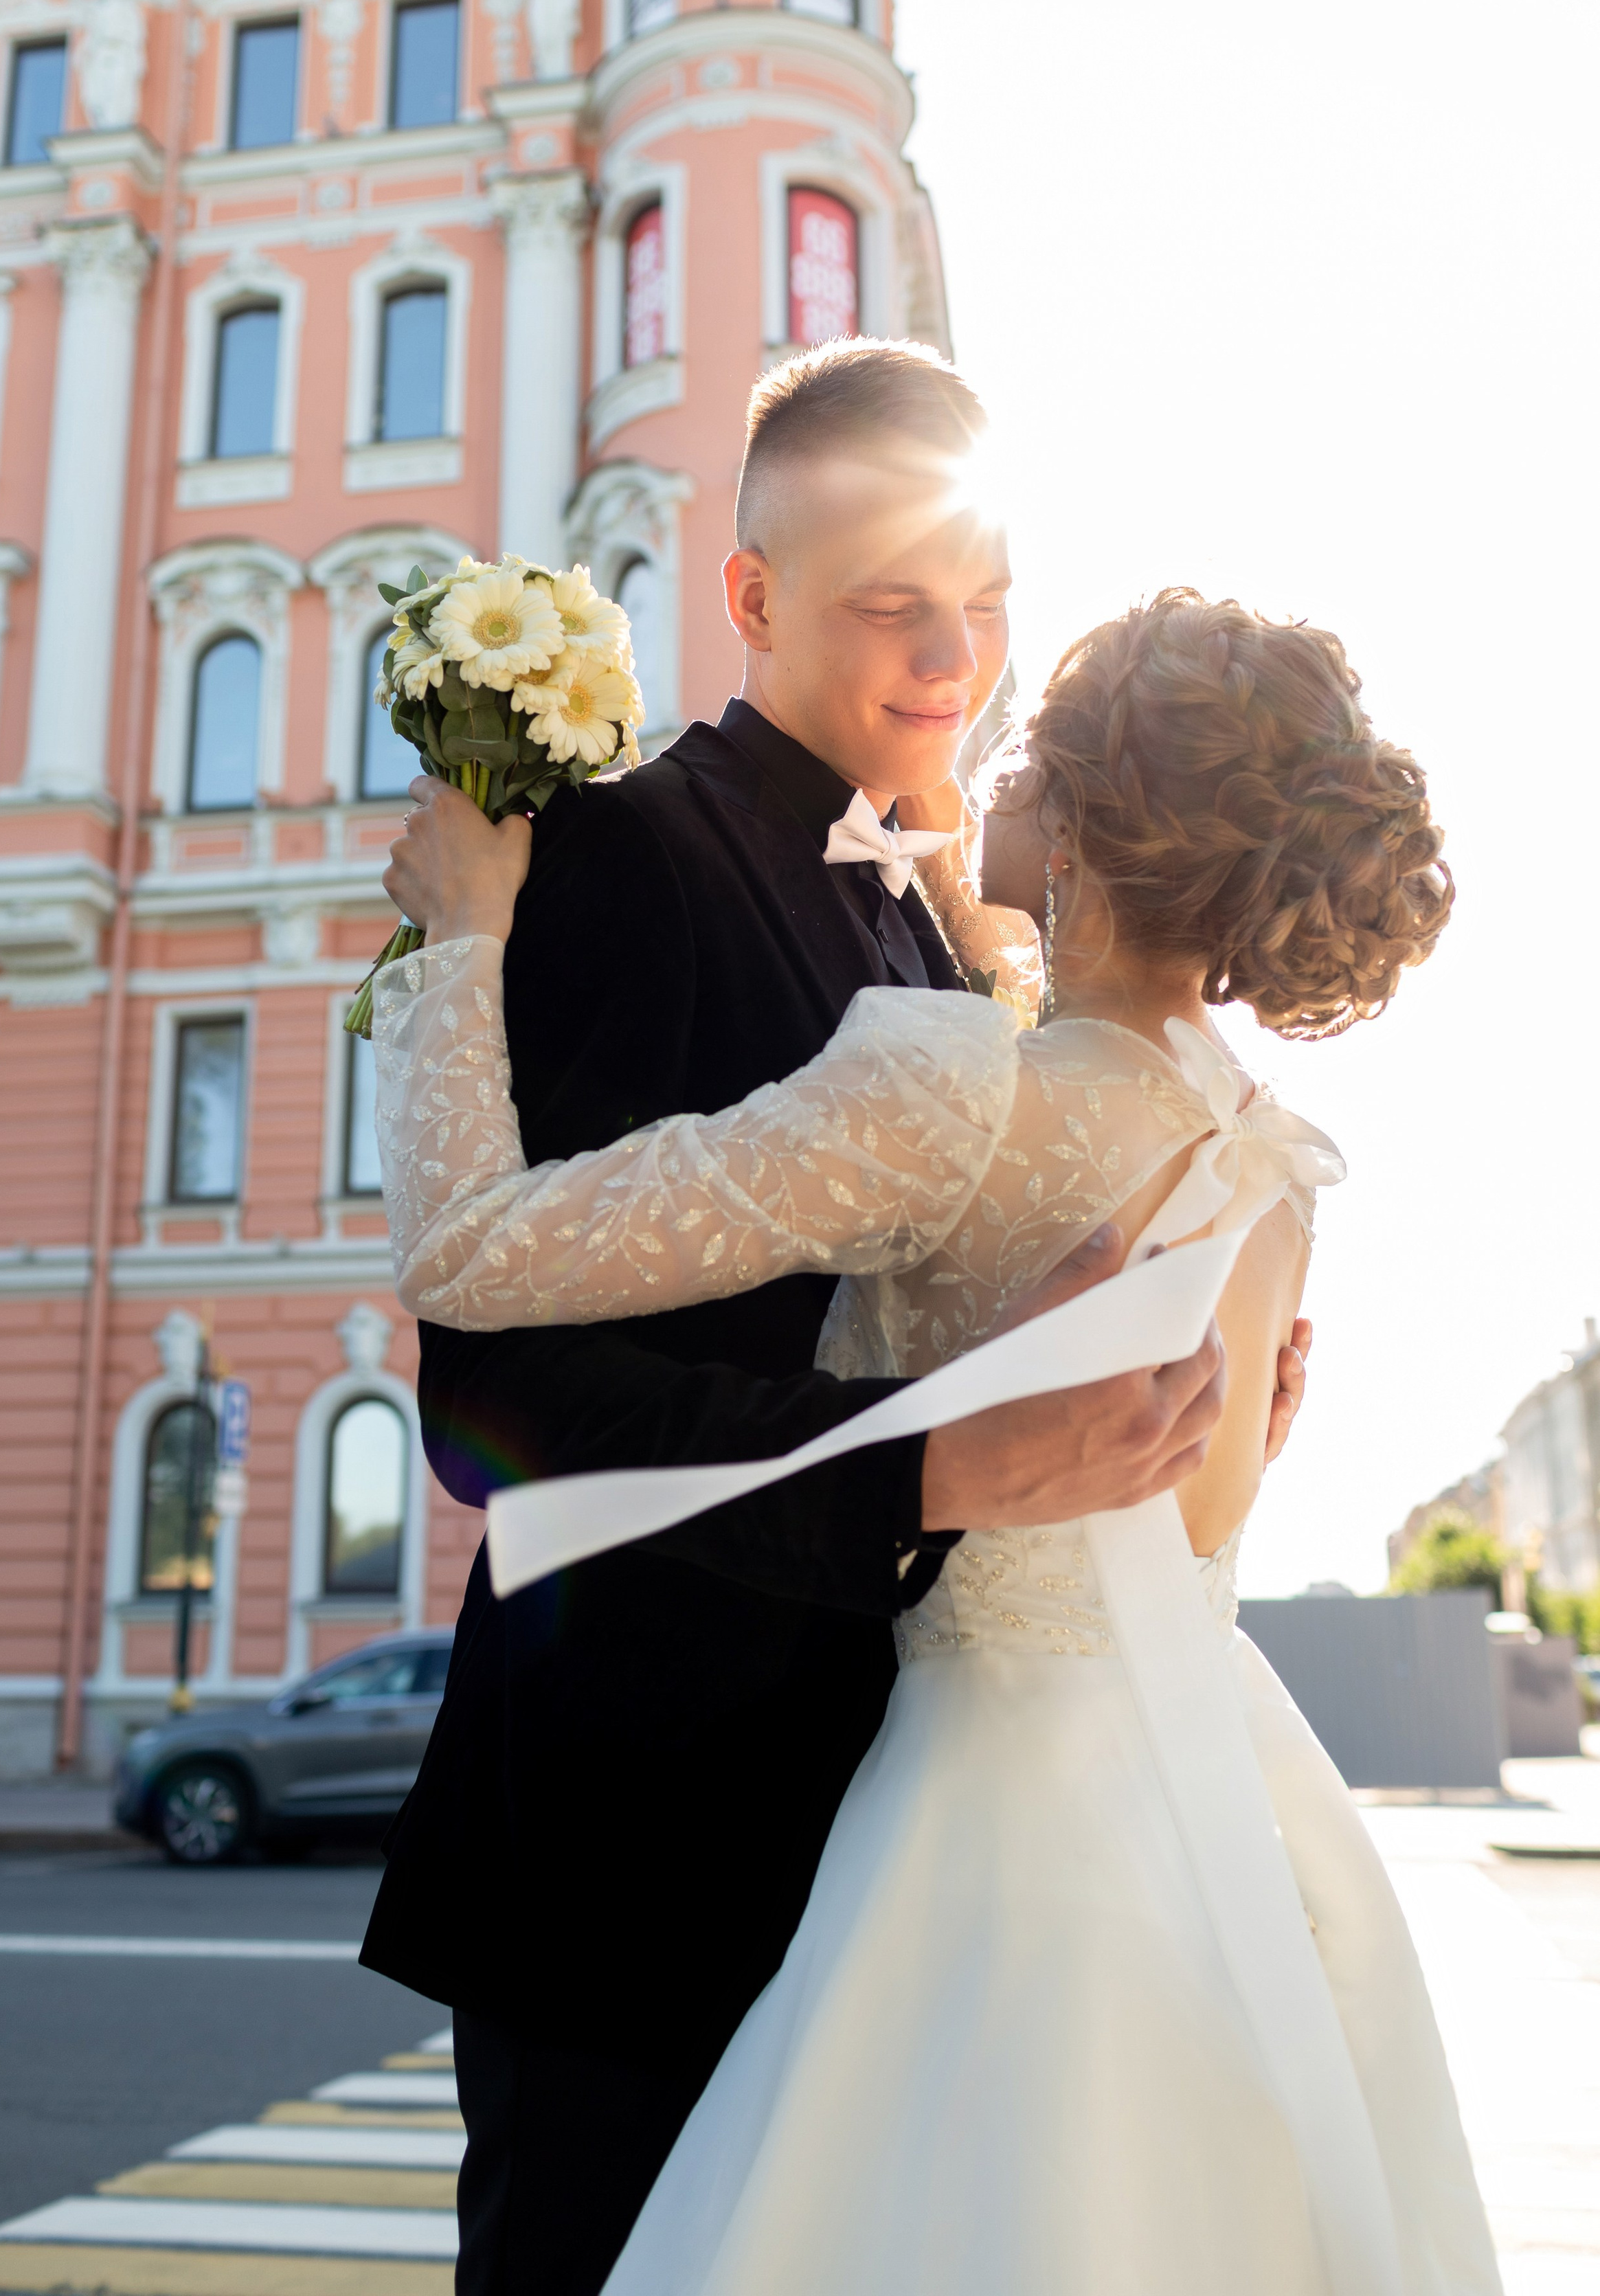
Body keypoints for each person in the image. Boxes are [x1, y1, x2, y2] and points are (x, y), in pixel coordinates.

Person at [372, 584, 1498, 2295]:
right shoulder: (1266, 1150)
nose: (980, 743)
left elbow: (471, 1261)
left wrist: (460, 936)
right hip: (1200, 1816)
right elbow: (1186, 1507)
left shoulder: (950, 1086)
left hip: (961, 1817)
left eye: (1026, 739)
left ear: (1093, 825)